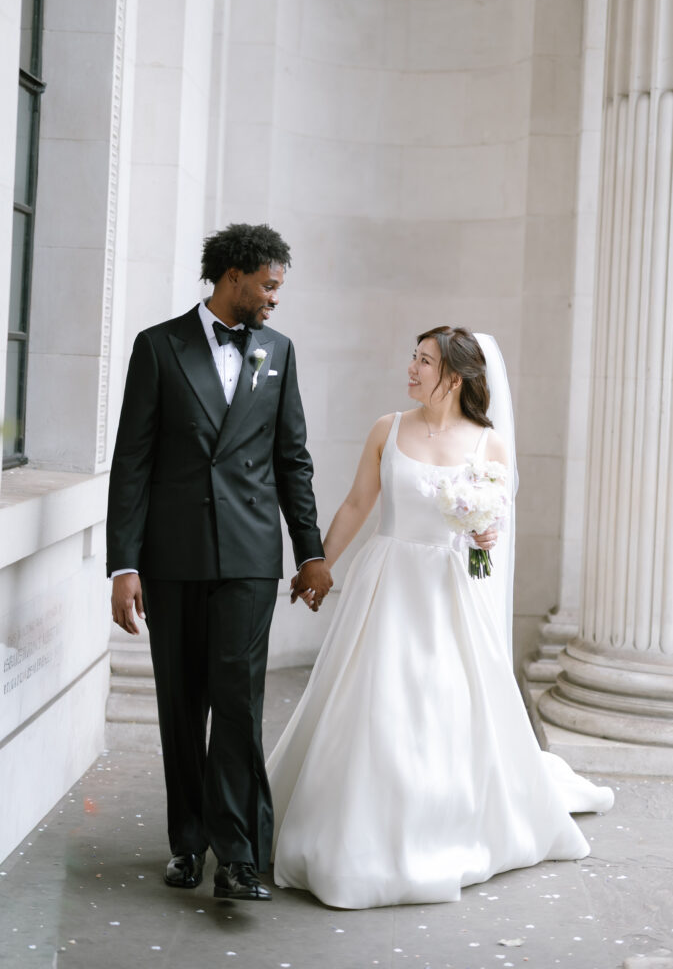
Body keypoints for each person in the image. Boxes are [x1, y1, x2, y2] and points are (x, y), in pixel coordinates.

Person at [267, 326, 614, 910]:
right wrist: (318, 563)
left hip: (446, 593)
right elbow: (357, 503)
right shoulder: (388, 428)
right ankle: (360, 825)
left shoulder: (488, 444)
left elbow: (490, 534)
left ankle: (441, 825)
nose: (411, 368)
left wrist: (485, 535)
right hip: (387, 584)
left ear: (454, 377)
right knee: (374, 702)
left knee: (443, 705)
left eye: (424, 361)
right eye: (414, 357)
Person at [106, 223, 332, 902]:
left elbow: (292, 459)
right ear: (233, 277)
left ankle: (237, 857)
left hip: (249, 557)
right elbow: (132, 462)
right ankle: (187, 843)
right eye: (268, 285)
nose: (274, 298)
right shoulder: (158, 347)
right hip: (172, 558)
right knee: (181, 705)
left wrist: (310, 550)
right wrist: (124, 565)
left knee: (238, 704)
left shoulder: (278, 351)